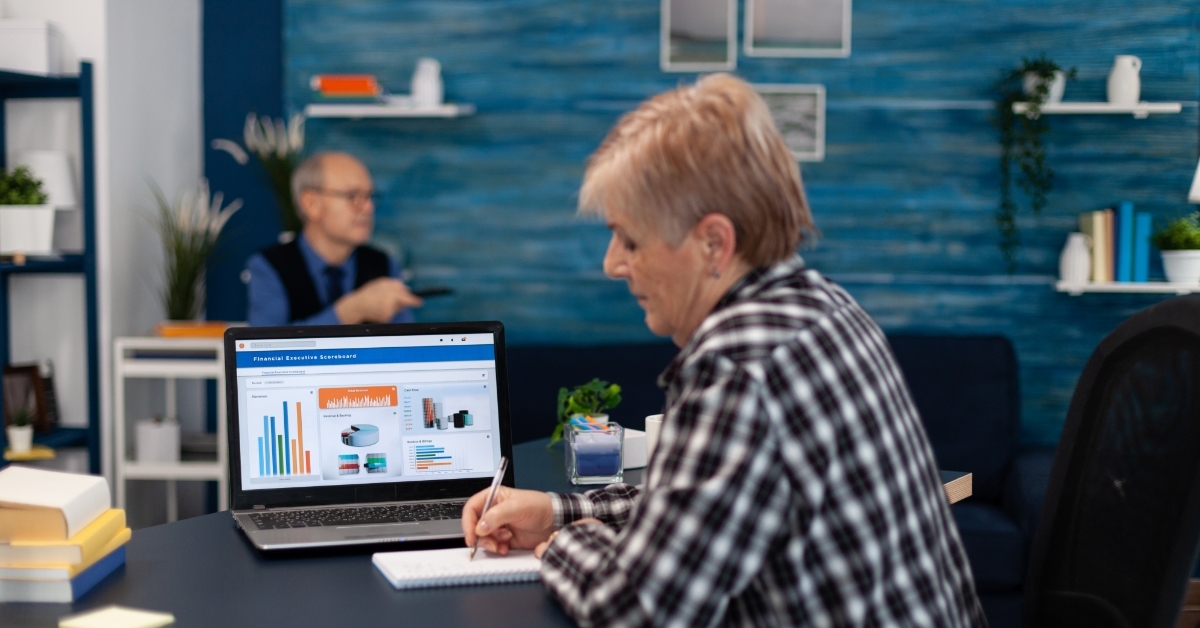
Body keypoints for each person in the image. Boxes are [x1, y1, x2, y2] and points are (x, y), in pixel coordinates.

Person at [462, 74, 986, 626]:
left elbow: (636, 609)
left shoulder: (737, 368)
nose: (612, 264)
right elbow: (701, 505)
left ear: (714, 242)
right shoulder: (823, 307)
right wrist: (557, 512)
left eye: (630, 240)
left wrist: (570, 545)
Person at [245, 151, 423, 326]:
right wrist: (351, 311)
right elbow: (264, 347)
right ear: (311, 204)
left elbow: (404, 342)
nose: (368, 208)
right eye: (352, 196)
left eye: (370, 196)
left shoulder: (383, 263)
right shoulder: (269, 265)